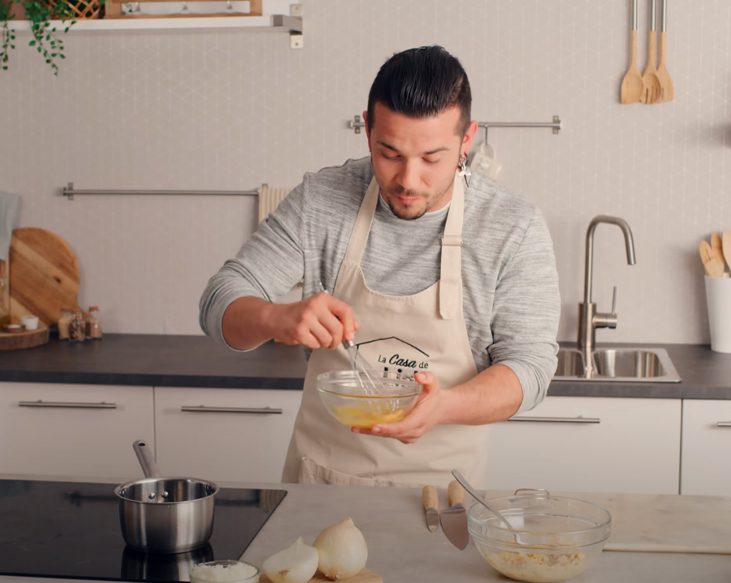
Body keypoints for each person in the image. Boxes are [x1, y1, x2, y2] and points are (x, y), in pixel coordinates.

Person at [199, 45, 560, 488]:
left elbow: (530, 368)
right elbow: (219, 300)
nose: (408, 180)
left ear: (467, 139)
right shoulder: (322, 200)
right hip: (319, 486)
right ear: (367, 128)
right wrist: (276, 318)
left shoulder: (511, 226)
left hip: (444, 498)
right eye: (389, 154)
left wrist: (443, 407)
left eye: (432, 158)